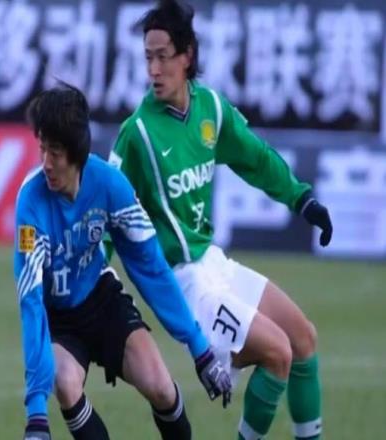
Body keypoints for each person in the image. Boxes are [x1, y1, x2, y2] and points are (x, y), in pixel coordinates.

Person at [108, 1, 333, 439]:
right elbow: (105, 208)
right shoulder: (137, 134)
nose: (153, 69)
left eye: (163, 56)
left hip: (214, 262)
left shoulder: (210, 106)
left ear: (187, 55)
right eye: (148, 57)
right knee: (278, 354)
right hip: (185, 281)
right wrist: (92, 274)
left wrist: (302, 199)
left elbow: (256, 157)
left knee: (303, 339)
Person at [13, 82, 231, 440]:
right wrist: (36, 415)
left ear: (77, 152)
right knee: (65, 382)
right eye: (42, 149)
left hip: (102, 300)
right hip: (59, 319)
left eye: (56, 152)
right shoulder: (31, 203)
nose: (46, 163)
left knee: (161, 388)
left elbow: (151, 267)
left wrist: (200, 350)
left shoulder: (111, 186)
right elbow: (31, 299)